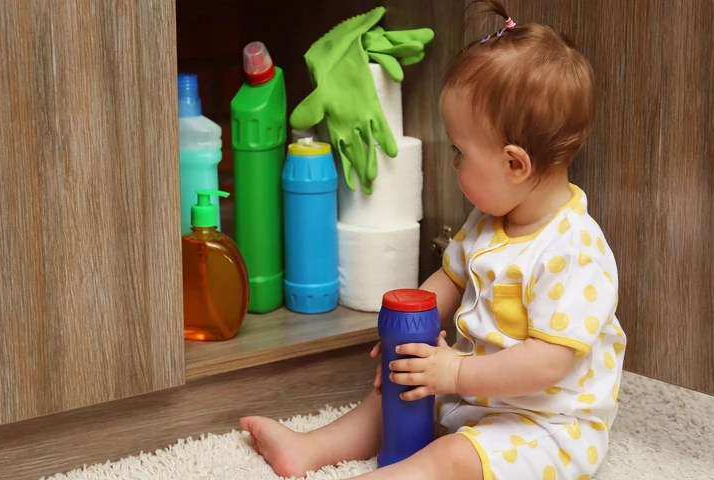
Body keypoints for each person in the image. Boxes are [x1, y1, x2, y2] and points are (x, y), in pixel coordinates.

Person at [240, 1, 626, 478]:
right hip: (477, 395)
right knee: (399, 389)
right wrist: (408, 327)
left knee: (447, 458)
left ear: (514, 164)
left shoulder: (573, 250)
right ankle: (311, 448)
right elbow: (451, 276)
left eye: (460, 152)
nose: (453, 163)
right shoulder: (490, 219)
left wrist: (454, 372)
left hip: (546, 427)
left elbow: (547, 364)